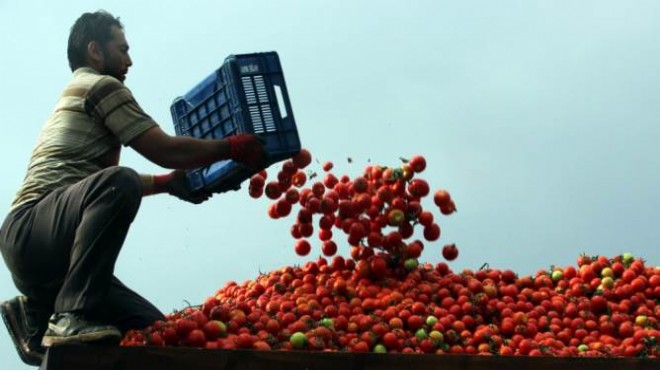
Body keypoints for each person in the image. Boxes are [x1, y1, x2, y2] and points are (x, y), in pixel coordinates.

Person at [0, 10, 266, 366]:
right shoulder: (101, 86)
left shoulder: (78, 94)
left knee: (153, 331)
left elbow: (101, 185)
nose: (130, 60)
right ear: (95, 51)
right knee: (119, 181)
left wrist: (167, 185)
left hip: (48, 254)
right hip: (31, 231)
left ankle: (39, 311)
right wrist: (229, 147)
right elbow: (163, 151)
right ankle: (69, 316)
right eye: (122, 49)